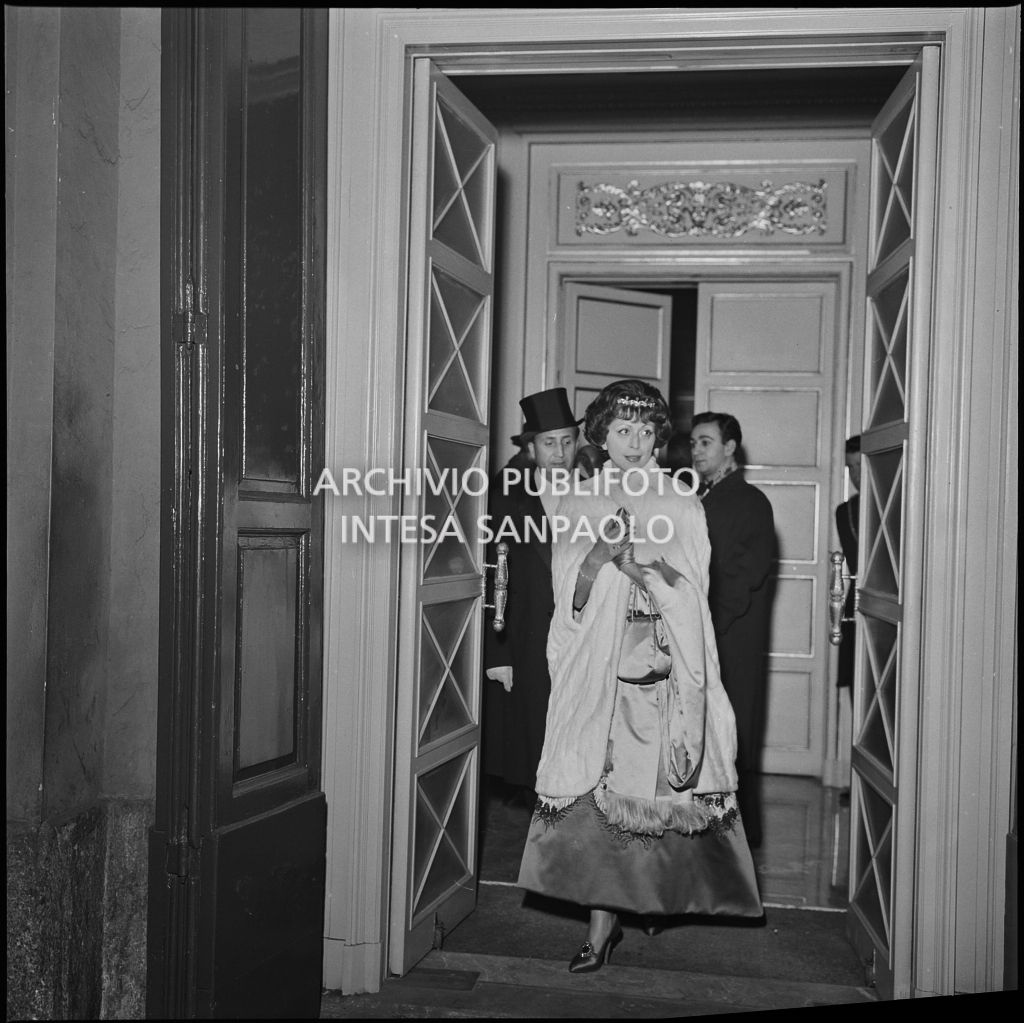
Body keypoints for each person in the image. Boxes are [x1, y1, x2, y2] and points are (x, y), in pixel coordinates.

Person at [518, 379, 763, 974]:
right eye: (622, 429)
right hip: (601, 673)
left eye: (646, 429)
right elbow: (567, 606)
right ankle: (601, 929)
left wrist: (648, 571)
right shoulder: (578, 499)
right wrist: (599, 561)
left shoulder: (682, 502)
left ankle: (645, 901)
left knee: (657, 797)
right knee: (597, 807)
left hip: (660, 674)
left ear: (659, 437)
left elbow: (697, 599)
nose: (634, 441)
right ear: (599, 434)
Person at [482, 387, 581, 800]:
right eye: (547, 443)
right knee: (533, 749)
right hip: (526, 641)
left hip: (584, 639)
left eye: (566, 441)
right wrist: (497, 654)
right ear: (531, 447)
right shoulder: (504, 498)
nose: (558, 453)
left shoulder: (598, 494)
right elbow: (490, 576)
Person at [690, 411, 776, 849]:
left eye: (706, 442)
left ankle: (738, 837)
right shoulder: (702, 497)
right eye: (694, 443)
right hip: (708, 635)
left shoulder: (749, 501)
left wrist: (705, 628)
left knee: (733, 734)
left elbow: (742, 578)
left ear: (730, 448)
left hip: (731, 638)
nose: (696, 451)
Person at [835, 436, 861, 699]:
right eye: (850, 468)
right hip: (856, 602)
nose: (856, 475)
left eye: (860, 466)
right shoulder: (846, 512)